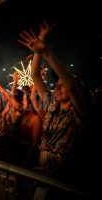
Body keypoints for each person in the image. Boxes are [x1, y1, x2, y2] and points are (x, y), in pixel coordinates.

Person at [18, 21, 93, 182]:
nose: (57, 88)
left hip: (66, 181)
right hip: (42, 175)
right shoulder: (53, 107)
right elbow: (35, 77)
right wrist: (39, 48)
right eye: (56, 84)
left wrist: (46, 51)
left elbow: (72, 87)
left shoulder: (80, 112)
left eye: (62, 84)